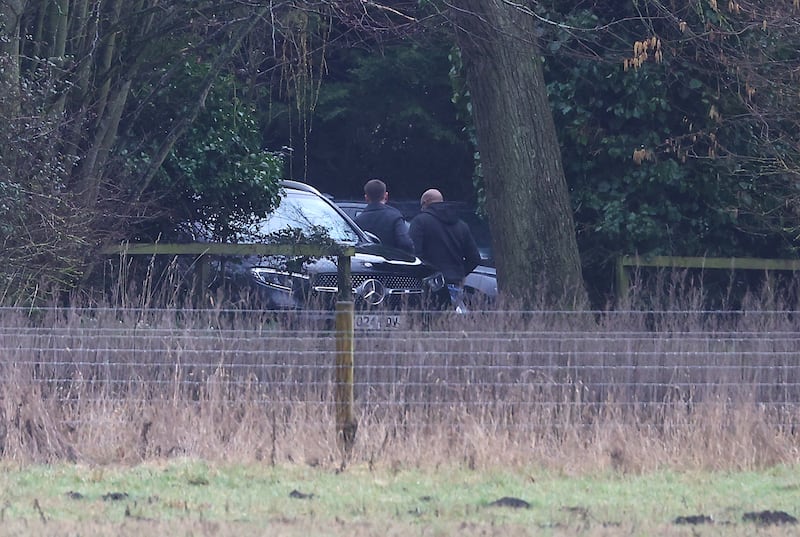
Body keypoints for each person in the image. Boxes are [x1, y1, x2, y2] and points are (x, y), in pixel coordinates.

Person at [409, 188, 482, 312]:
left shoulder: (420, 222)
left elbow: (413, 255)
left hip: (430, 286)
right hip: (455, 283)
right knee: (451, 324)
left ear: (426, 203)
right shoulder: (461, 225)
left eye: (422, 206)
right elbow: (474, 258)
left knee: (429, 324)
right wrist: (459, 273)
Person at [354, 179, 414, 253]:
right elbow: (405, 243)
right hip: (391, 261)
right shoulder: (395, 217)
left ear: (366, 198)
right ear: (386, 196)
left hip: (367, 262)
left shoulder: (357, 221)